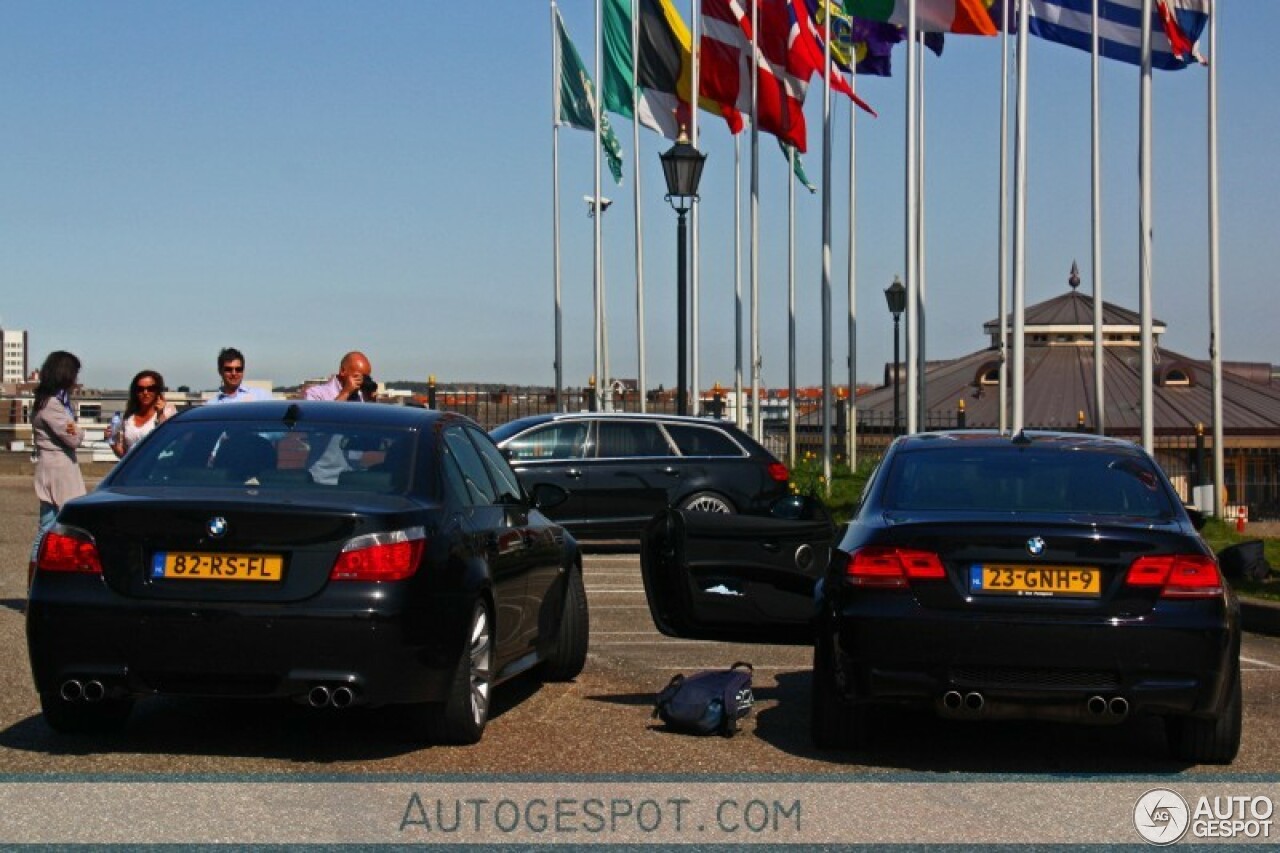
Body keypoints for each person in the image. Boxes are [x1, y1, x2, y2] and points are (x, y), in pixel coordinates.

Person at [30, 351, 87, 573]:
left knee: (47, 527)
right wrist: (78, 429)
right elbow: (73, 437)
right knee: (58, 530)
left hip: (48, 469)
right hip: (60, 472)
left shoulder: (43, 401)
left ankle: (35, 582)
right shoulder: (53, 405)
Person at [112, 369, 177, 458]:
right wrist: (111, 440)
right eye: (140, 389)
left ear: (158, 391)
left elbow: (170, 441)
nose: (145, 393)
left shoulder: (168, 411)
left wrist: (160, 414)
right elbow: (124, 456)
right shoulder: (129, 417)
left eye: (151, 389)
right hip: (136, 468)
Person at [302, 351, 376, 402]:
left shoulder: (361, 398)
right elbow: (320, 421)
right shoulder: (315, 394)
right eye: (358, 377)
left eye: (366, 378)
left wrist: (370, 402)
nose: (361, 380)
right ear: (343, 371)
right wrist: (345, 393)